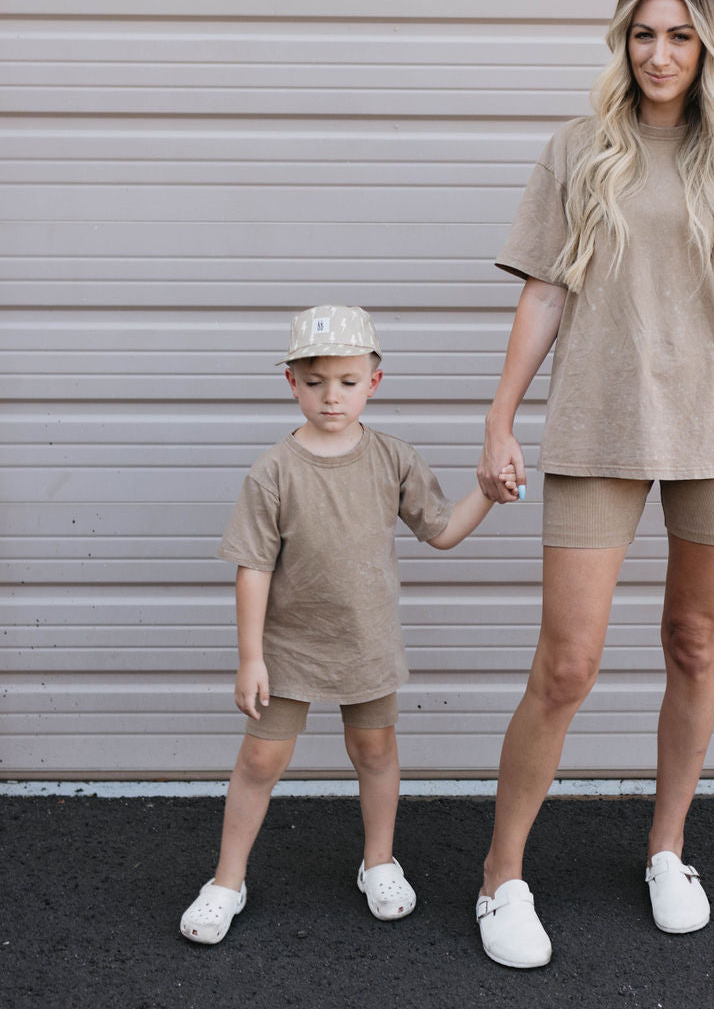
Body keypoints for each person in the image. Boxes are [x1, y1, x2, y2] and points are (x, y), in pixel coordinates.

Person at [474, 0, 714, 968]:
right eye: (642, 35)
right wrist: (499, 416)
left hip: (713, 427)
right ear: (622, 44)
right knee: (566, 662)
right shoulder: (578, 152)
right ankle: (501, 876)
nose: (658, 54)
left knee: (693, 644)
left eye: (679, 36)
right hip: (600, 424)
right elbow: (543, 293)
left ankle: (667, 850)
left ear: (708, 47)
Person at [180, 303, 514, 944]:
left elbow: (441, 531)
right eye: (315, 382)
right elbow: (252, 567)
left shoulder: (393, 459)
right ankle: (227, 879)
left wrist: (488, 496)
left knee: (375, 751)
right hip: (288, 650)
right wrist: (250, 656)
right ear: (291, 382)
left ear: (374, 381)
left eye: (348, 382)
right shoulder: (273, 472)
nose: (331, 397)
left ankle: (379, 862)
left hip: (366, 645)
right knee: (259, 760)